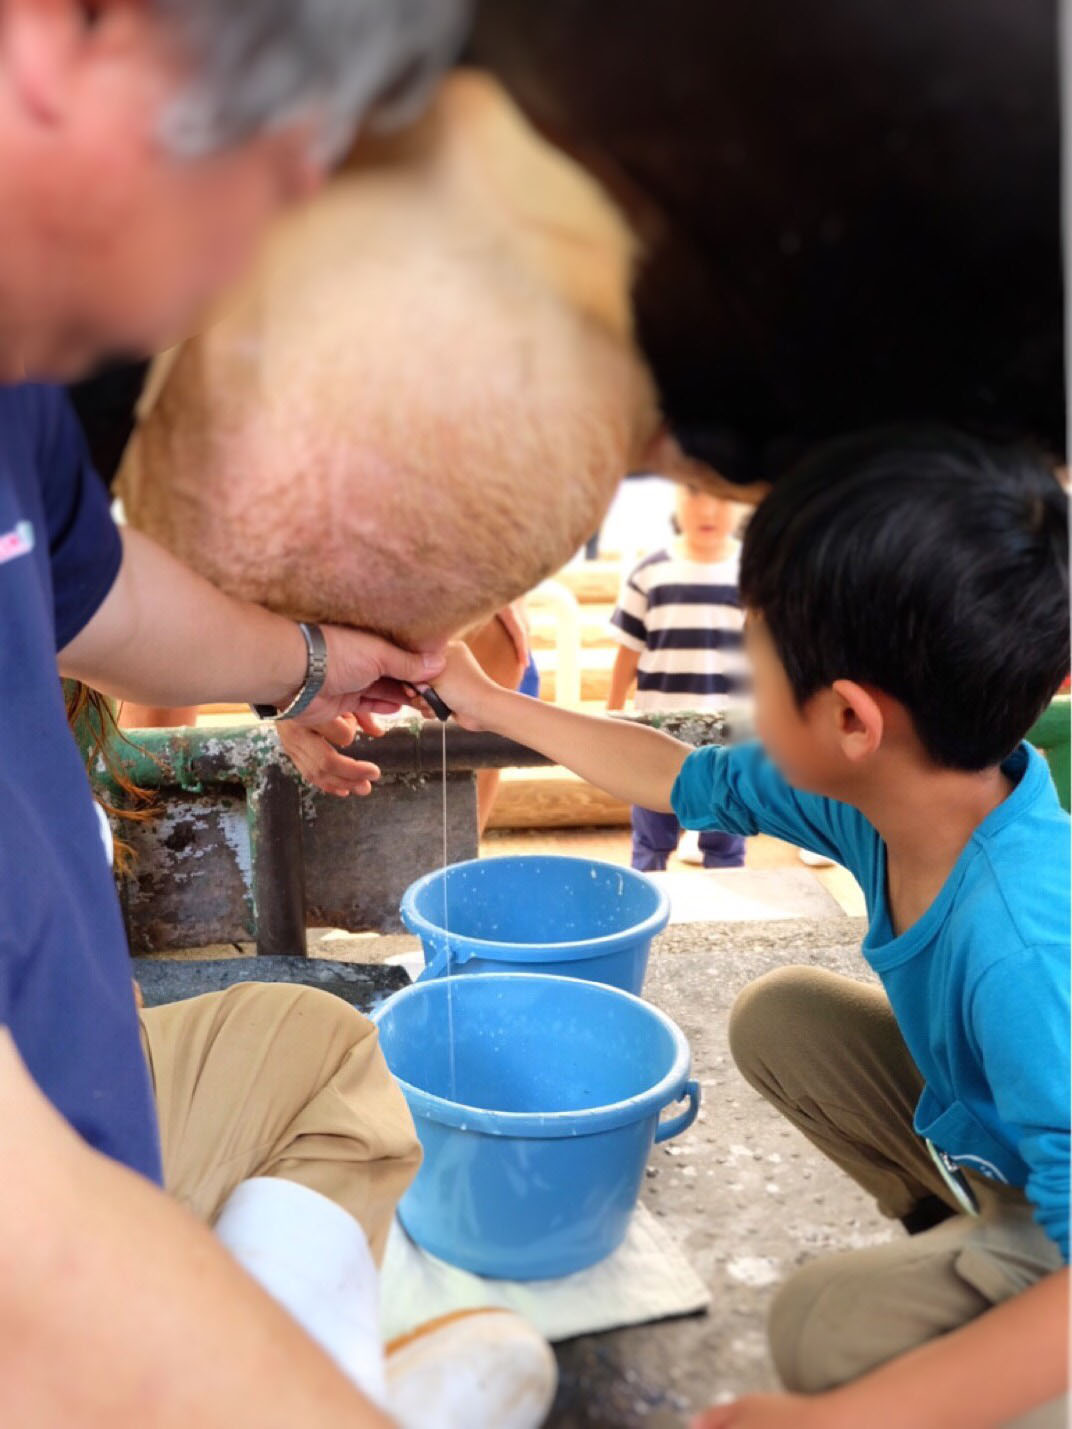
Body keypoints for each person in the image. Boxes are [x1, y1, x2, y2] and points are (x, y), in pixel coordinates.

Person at [0, 5, 556, 1427]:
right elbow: (31, 1263)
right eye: (283, 121)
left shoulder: (18, 385)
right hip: (32, 1213)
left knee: (327, 1060)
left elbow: (89, 585)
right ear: (52, 37)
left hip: (82, 1076)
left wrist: (309, 665)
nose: (306, 188)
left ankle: (300, 1359)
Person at [430, 427, 1071, 1428]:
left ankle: (1010, 1356)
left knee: (819, 1330)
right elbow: (672, 776)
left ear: (852, 719)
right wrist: (481, 700)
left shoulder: (1022, 948)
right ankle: (958, 1244)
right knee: (782, 1017)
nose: (742, 693)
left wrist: (841, 1417)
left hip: (1059, 1219)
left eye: (754, 661)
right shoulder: (894, 790)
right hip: (1003, 1143)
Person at [608, 477, 747, 870]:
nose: (707, 509)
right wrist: (614, 713)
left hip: (733, 735)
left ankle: (731, 921)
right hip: (657, 732)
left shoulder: (757, 571)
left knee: (726, 843)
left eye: (723, 496)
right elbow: (628, 652)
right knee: (651, 840)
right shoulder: (649, 573)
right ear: (675, 496)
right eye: (694, 491)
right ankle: (647, 913)